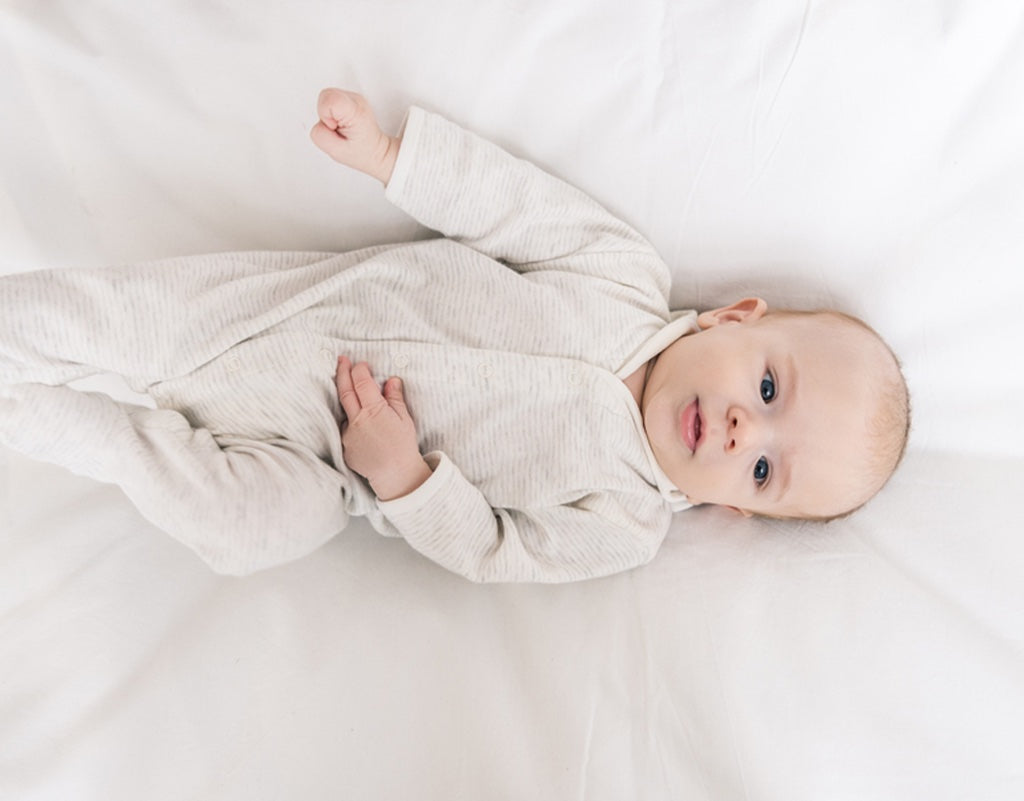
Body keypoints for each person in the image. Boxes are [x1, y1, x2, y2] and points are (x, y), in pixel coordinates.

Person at [0, 89, 909, 582]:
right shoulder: (622, 274)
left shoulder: (623, 524)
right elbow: (512, 208)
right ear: (733, 317)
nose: (749, 431)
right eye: (769, 389)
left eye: (763, 469)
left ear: (736, 509)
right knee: (95, 314)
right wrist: (393, 158)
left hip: (322, 456)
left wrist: (404, 476)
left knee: (256, 531)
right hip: (296, 307)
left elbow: (492, 548)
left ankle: (92, 433)